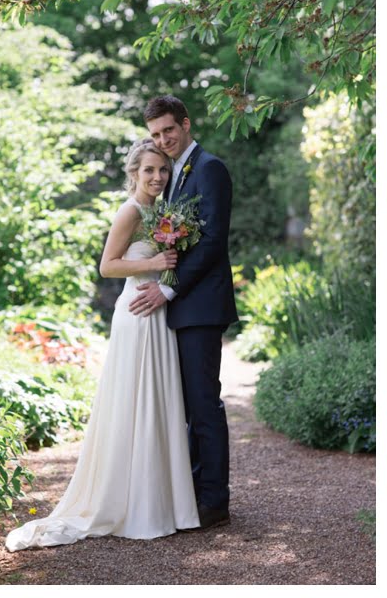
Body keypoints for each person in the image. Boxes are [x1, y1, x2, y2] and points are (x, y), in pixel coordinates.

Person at [6, 140, 199, 551]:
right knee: (136, 402)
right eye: (149, 170)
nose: (157, 177)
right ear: (134, 173)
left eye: (163, 170)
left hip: (158, 312)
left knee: (158, 402)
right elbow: (108, 265)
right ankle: (133, 503)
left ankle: (163, 503)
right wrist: (155, 264)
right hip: (136, 313)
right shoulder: (130, 211)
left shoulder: (163, 213)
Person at [129, 95, 238, 530]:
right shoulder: (172, 175)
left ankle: (214, 501)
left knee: (203, 404)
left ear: (186, 124)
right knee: (185, 406)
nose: (163, 140)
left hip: (200, 307)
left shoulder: (209, 168)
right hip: (179, 308)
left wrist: (167, 292)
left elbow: (211, 243)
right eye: (156, 134)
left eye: (169, 130)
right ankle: (191, 494)